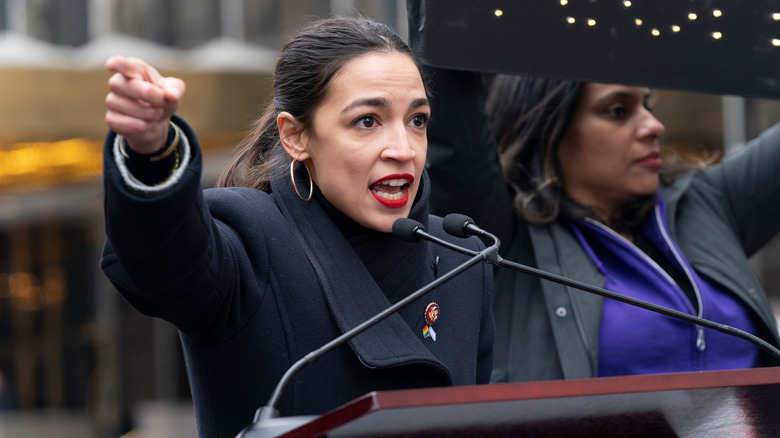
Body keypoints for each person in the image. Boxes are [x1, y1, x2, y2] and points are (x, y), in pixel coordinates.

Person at [100, 17, 494, 438]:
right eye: (367, 121)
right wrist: (152, 154)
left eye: (417, 120)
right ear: (295, 137)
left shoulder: (461, 258)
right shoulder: (250, 238)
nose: (403, 150)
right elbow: (163, 261)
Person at [407, 6, 780, 383]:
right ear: (549, 130)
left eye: (648, 105)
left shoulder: (705, 204)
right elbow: (453, 125)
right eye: (618, 110)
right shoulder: (502, 238)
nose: (655, 125)